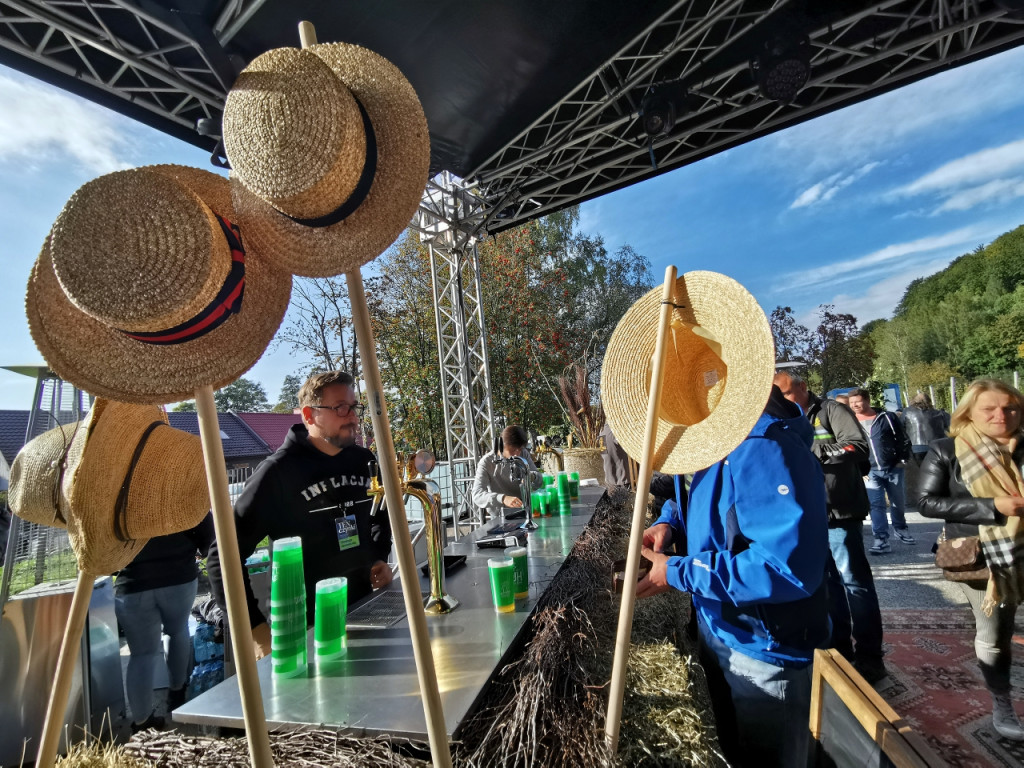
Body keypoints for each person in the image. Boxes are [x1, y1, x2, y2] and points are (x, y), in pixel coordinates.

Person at [637, 386, 829, 767]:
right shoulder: (717, 436)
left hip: (763, 650)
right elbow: (699, 493)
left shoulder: (762, 446)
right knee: (732, 748)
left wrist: (676, 571)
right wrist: (669, 523)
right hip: (721, 624)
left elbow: (784, 568)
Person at [207, 371, 393, 660]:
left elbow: (380, 513)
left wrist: (379, 555)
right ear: (309, 415)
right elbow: (222, 556)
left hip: (363, 608)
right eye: (340, 407)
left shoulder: (363, 461)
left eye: (354, 407)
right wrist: (254, 629)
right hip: (301, 628)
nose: (353, 417)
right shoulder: (277, 472)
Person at [917, 378, 1024, 741]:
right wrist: (992, 507)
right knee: (995, 633)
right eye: (989, 409)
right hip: (986, 559)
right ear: (969, 413)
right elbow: (927, 502)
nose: (1001, 415)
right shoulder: (947, 450)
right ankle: (1002, 701)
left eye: (1010, 408)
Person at [775, 372, 888, 684]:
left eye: (785, 393)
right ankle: (839, 652)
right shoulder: (783, 418)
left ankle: (870, 657)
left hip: (841, 513)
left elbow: (857, 447)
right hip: (809, 517)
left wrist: (811, 453)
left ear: (802, 387)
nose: (781, 401)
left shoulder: (831, 411)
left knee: (855, 583)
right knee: (827, 586)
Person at [114, 513, 215, 731]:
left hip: (133, 582)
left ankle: (142, 722)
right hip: (179, 573)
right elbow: (205, 526)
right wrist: (200, 550)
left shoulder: (115, 490)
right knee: (177, 631)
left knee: (141, 654)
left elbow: (102, 540)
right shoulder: (177, 487)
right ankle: (177, 694)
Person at [847, 388, 914, 553]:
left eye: (858, 401)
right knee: (876, 504)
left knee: (897, 502)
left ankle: (900, 528)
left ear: (867, 401)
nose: (854, 405)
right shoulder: (850, 422)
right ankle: (881, 539)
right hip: (869, 471)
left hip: (893, 467)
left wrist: (902, 459)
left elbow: (902, 438)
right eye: (852, 403)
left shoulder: (886, 418)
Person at [471, 425, 542, 519]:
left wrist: (532, 476)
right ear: (502, 445)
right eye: (512, 450)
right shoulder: (487, 462)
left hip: (528, 512)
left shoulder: (523, 453)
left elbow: (540, 480)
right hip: (501, 517)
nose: (517, 454)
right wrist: (503, 498)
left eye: (520, 450)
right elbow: (477, 495)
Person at [902, 392, 950, 465]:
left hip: (917, 447)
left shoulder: (907, 412)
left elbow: (900, 426)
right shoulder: (940, 413)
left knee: (923, 471)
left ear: (914, 401)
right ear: (929, 401)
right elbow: (951, 425)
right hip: (938, 446)